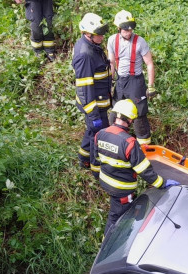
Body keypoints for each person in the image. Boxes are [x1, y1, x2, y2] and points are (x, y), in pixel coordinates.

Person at [91, 99, 180, 235]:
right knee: (116, 218)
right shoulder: (129, 143)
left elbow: (95, 160)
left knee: (126, 210)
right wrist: (162, 183)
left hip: (106, 182)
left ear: (115, 116)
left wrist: (99, 176)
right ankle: (108, 245)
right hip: (122, 190)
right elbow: (144, 170)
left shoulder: (100, 134)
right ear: (130, 120)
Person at [107, 10, 157, 147]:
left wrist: (151, 85)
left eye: (130, 30)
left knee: (140, 114)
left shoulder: (140, 42)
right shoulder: (112, 40)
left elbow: (149, 63)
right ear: (118, 28)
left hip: (135, 81)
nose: (128, 32)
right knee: (116, 110)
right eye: (125, 30)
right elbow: (111, 62)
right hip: (120, 81)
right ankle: (115, 141)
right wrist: (110, 80)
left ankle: (145, 147)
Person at [72, 13, 112, 170]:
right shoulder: (85, 55)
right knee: (99, 136)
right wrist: (94, 114)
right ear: (87, 34)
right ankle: (97, 169)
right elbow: (84, 88)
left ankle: (83, 158)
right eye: (98, 34)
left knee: (91, 131)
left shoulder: (92, 46)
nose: (102, 37)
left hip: (99, 100)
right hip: (93, 104)